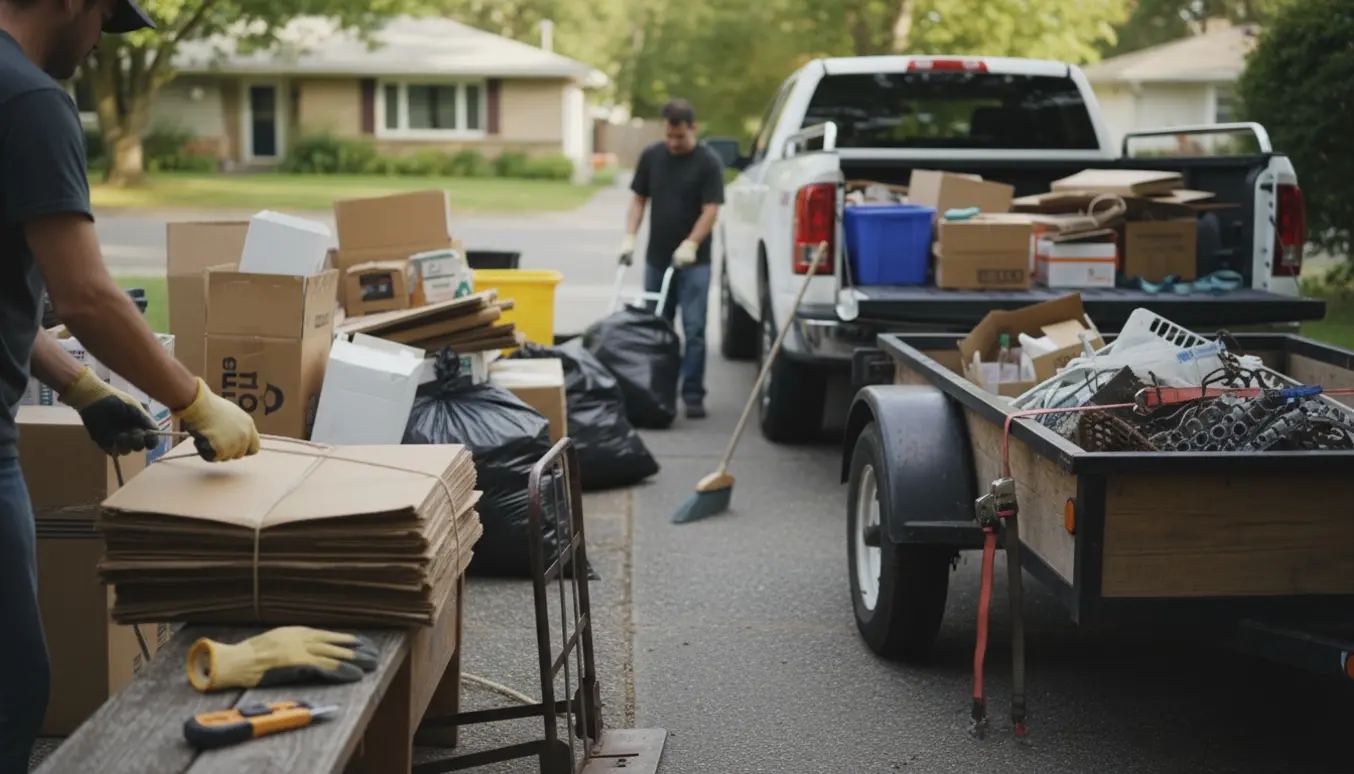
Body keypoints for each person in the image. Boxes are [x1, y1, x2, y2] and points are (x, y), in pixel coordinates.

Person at [0, 0, 261, 769]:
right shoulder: (30, 99)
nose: (97, 48)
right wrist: (194, 398)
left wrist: (83, 388)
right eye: (104, 24)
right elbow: (86, 295)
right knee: (13, 686)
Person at [619, 99, 725, 420]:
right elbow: (639, 199)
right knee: (658, 329)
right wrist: (630, 237)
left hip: (695, 262)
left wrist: (691, 244)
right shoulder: (652, 157)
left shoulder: (708, 162)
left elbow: (711, 210)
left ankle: (692, 394)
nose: (674, 142)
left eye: (679, 136)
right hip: (657, 258)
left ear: (692, 128)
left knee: (693, 329)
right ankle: (659, 392)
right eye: (669, 136)